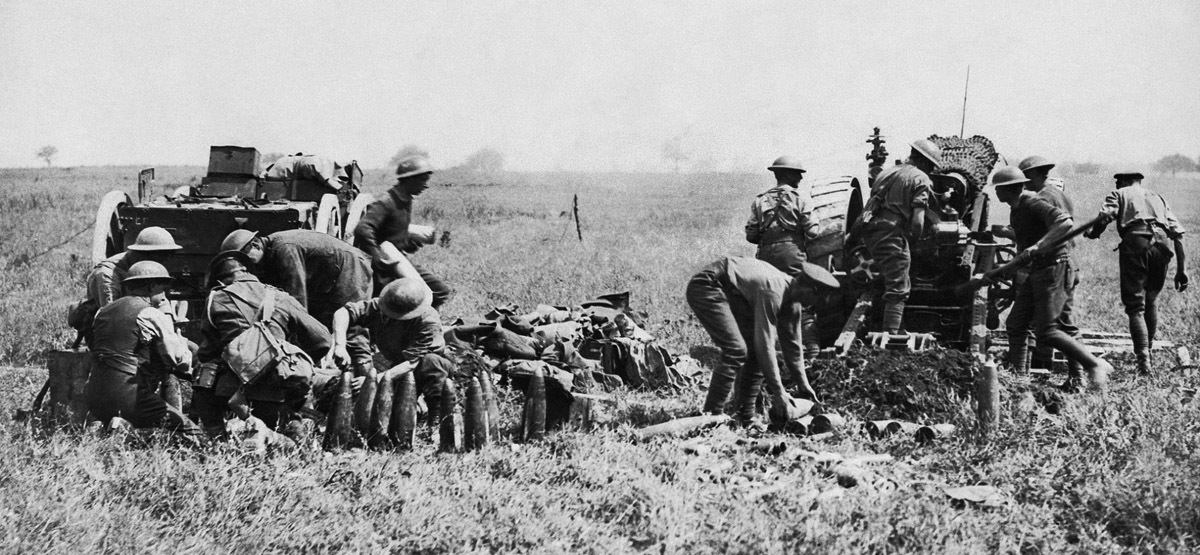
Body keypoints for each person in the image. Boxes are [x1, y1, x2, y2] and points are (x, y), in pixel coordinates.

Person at [992, 166, 1111, 391]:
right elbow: (1026, 239)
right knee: (1016, 323)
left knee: (1047, 330)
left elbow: (1064, 222)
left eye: (999, 188)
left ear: (1012, 188)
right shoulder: (1016, 209)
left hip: (1054, 267)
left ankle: (1093, 365)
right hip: (1037, 269)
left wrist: (1040, 245)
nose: (996, 192)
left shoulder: (1032, 202)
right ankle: (1019, 380)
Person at [193, 250, 334, 438]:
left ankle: (217, 437)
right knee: (290, 432)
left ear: (219, 281)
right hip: (279, 385)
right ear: (250, 273)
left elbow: (206, 353)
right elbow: (323, 339)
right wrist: (292, 357)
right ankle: (295, 431)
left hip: (232, 393)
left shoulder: (216, 298)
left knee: (203, 371)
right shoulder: (280, 297)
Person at [685, 256, 828, 425]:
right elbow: (765, 345)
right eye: (819, 299)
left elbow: (793, 348)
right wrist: (779, 392)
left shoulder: (793, 301)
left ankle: (744, 418)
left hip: (733, 292)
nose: (816, 305)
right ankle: (711, 417)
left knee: (753, 354)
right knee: (736, 350)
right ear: (810, 290)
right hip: (709, 284)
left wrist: (803, 385)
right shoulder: (773, 291)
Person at [325, 243, 453, 427]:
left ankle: (436, 420)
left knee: (431, 363)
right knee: (383, 409)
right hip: (395, 364)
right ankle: (412, 404)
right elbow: (344, 312)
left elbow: (412, 363)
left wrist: (374, 379)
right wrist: (339, 345)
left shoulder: (428, 321)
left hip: (422, 367)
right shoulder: (383, 305)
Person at [217, 228, 373, 375]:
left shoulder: (284, 249)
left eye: (246, 261)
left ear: (256, 245)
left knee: (352, 330)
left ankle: (365, 379)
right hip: (325, 281)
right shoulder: (270, 253)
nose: (248, 267)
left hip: (351, 268)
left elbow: (297, 298)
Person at [1084, 171, 1188, 374]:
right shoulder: (1157, 197)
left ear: (1124, 181)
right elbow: (1179, 235)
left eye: (1118, 182)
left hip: (1137, 242)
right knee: (1151, 300)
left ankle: (1143, 361)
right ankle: (1148, 352)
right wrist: (1182, 270)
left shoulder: (1120, 193)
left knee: (1135, 307)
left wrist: (1094, 233)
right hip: (1161, 244)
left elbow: (1105, 216)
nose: (1116, 185)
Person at [84, 261, 202, 439]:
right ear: (150, 286)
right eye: (162, 288)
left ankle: (117, 426)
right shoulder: (151, 314)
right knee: (192, 432)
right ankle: (127, 427)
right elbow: (177, 360)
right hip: (128, 396)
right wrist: (182, 345)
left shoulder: (103, 311)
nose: (164, 295)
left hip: (94, 396)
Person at [1009, 155, 1083, 383]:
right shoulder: (1058, 194)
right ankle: (1073, 376)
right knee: (1058, 322)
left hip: (1054, 265)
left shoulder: (1042, 197)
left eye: (1024, 177)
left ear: (1033, 175)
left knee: (1056, 325)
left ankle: (1079, 376)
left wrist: (1037, 246)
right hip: (1063, 262)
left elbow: (1061, 226)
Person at [854, 139, 940, 333]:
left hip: (872, 232)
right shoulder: (921, 177)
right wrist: (915, 242)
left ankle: (892, 327)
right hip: (891, 233)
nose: (931, 171)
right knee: (898, 288)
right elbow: (918, 221)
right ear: (924, 161)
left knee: (888, 278)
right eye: (931, 166)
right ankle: (890, 337)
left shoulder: (886, 173)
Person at [745, 155, 821, 358]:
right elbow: (813, 232)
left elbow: (751, 235)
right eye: (797, 174)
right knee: (801, 300)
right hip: (792, 255)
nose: (801, 178)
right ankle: (812, 350)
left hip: (766, 257)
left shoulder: (760, 200)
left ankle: (765, 353)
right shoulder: (801, 199)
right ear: (787, 174)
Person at [353, 155, 452, 308]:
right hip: (383, 267)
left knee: (438, 291)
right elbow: (363, 228)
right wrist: (377, 258)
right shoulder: (386, 201)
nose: (425, 186)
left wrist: (407, 243)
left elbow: (389, 232)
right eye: (422, 180)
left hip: (397, 259)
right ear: (409, 179)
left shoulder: (405, 200)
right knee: (408, 299)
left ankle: (424, 320)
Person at [89, 226, 183, 308]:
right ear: (143, 254)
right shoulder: (107, 273)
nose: (164, 261)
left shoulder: (145, 269)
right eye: (161, 256)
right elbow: (112, 314)